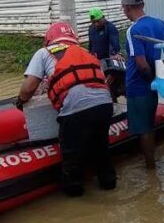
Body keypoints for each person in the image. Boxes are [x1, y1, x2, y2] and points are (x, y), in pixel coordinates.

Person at [16, 22, 116, 196]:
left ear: (49, 39)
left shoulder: (43, 53)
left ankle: (74, 194)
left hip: (76, 109)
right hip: (105, 105)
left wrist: (20, 101)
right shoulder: (85, 52)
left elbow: (29, 87)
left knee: (71, 155)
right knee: (101, 148)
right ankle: (108, 183)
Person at [121, 0, 164, 169]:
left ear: (126, 8)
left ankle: (150, 168)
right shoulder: (160, 24)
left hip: (138, 85)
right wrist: (157, 81)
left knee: (143, 129)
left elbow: (141, 64)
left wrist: (149, 79)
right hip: (155, 83)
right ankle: (151, 161)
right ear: (142, 5)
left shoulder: (133, 30)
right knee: (149, 124)